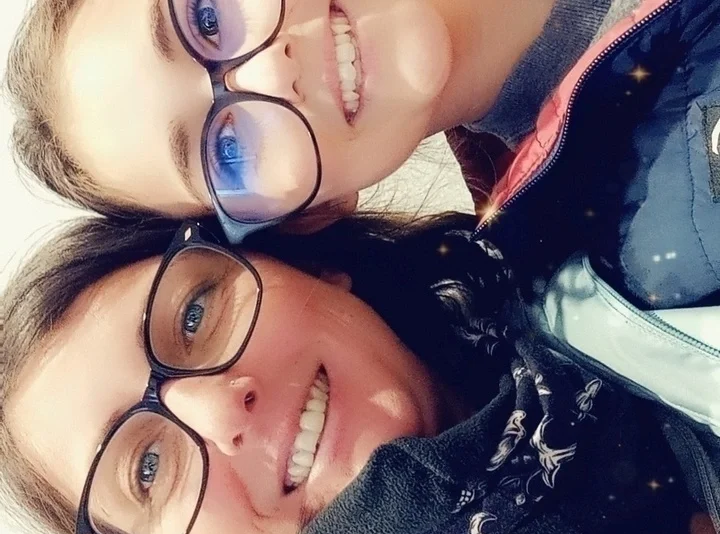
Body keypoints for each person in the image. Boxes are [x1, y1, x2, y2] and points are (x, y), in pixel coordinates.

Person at [0, 211, 697, 534]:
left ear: (307, 265)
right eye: (148, 469)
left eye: (193, 316)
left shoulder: (627, 228)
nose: (219, 408)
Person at [6, 0, 720, 311]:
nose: (268, 73)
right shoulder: (657, 261)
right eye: (226, 152)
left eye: (207, 15)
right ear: (312, 212)